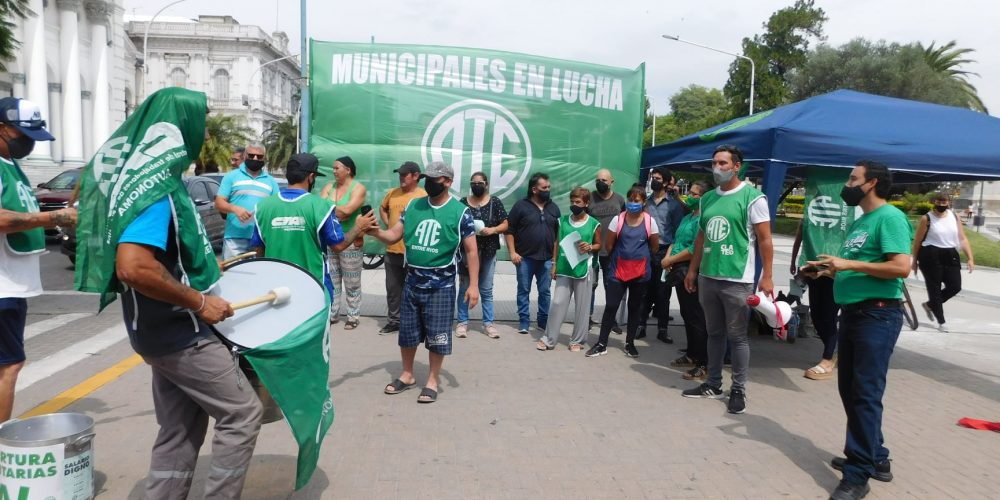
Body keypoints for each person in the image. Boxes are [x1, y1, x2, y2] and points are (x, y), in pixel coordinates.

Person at [801, 160, 912, 500]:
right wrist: (827, 271)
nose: (847, 184)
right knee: (851, 391)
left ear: (872, 183)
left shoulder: (890, 217)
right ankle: (876, 457)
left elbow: (900, 267)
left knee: (864, 393)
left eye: (853, 178)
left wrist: (846, 263)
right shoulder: (861, 221)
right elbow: (864, 269)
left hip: (876, 317)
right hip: (853, 315)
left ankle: (857, 474)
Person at [368, 161, 479, 403]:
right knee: (407, 333)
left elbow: (471, 251)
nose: (428, 183)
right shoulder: (414, 205)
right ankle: (407, 375)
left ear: (447, 182)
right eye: (426, 178)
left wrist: (473, 285)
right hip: (412, 281)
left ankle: (432, 380)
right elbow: (393, 235)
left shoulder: (460, 212)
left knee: (438, 336)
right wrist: (374, 231)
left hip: (442, 285)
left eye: (434, 179)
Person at [681, 144, 773, 415]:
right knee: (714, 333)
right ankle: (712, 383)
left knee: (738, 337)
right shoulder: (707, 198)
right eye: (714, 163)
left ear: (737, 166)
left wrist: (767, 276)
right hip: (709, 276)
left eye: (723, 163)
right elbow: (701, 237)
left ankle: (739, 388)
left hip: (737, 278)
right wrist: (692, 270)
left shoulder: (753, 198)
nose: (717, 168)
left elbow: (765, 239)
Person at [0, 97, 74, 422]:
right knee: (8, 366)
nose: (29, 142)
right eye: (23, 134)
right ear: (2, 128)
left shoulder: (10, 165)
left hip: (13, 286)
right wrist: (53, 218)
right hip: (2, 289)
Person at [251, 153, 376, 293]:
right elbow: (339, 245)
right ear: (310, 177)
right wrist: (358, 227)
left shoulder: (262, 207)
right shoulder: (320, 206)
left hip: (275, 287)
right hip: (312, 287)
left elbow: (258, 250)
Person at [586, 186, 659, 358]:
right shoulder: (617, 220)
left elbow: (655, 247)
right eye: (630, 200)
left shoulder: (650, 222)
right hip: (618, 270)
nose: (633, 203)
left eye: (637, 200)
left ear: (643, 202)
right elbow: (609, 245)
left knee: (634, 308)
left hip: (640, 273)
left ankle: (630, 343)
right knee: (611, 306)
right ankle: (601, 343)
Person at [537, 187, 601, 351]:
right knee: (558, 303)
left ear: (586, 203)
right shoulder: (563, 220)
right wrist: (554, 264)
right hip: (564, 268)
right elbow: (557, 243)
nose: (574, 204)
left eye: (578, 202)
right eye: (572, 201)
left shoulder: (594, 224)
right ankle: (549, 338)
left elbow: (599, 245)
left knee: (582, 306)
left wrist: (590, 247)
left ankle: (577, 341)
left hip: (583, 269)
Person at [661, 181, 709, 380]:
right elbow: (676, 240)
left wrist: (670, 259)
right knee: (687, 314)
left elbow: (694, 249)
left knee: (697, 317)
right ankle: (691, 354)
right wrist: (668, 258)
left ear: (704, 198)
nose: (690, 196)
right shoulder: (688, 217)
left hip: (692, 271)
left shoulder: (703, 220)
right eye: (689, 192)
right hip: (677, 269)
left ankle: (703, 363)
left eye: (695, 194)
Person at [910, 192, 974, 332]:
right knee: (935, 289)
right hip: (930, 254)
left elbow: (962, 238)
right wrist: (914, 261)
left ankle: (930, 305)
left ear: (948, 202)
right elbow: (917, 242)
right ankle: (941, 321)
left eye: (944, 201)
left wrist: (970, 257)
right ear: (934, 202)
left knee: (955, 286)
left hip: (950, 254)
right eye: (938, 201)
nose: (941, 204)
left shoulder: (954, 216)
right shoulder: (926, 218)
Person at [506, 173, 560, 335]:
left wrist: (554, 259)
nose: (548, 190)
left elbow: (558, 236)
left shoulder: (553, 207)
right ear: (534, 189)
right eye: (544, 188)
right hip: (525, 259)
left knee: (545, 291)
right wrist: (512, 252)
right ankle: (524, 320)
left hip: (546, 260)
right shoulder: (520, 206)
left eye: (549, 187)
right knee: (523, 290)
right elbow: (509, 231)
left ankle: (543, 320)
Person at [456, 172, 508, 340]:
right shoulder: (463, 202)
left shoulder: (495, 202)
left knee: (486, 289)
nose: (476, 185)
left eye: (480, 183)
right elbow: (455, 221)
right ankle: (462, 322)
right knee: (465, 287)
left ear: (486, 184)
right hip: (467, 252)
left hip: (488, 250)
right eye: (473, 182)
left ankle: (489, 324)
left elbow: (506, 223)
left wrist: (492, 230)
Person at [378, 161, 426, 334]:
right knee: (393, 289)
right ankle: (394, 321)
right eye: (399, 174)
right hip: (392, 251)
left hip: (413, 253)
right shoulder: (392, 193)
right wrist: (387, 223)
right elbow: (382, 208)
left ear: (416, 176)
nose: (401, 177)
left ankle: (415, 322)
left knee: (414, 290)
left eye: (404, 174)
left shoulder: (423, 196)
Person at [320, 156, 368, 329]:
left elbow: (347, 211)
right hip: (330, 240)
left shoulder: (358, 188)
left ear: (348, 170)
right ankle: (332, 314)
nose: (334, 171)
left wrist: (331, 210)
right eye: (333, 168)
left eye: (337, 168)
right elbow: (322, 211)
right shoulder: (328, 187)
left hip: (350, 239)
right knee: (332, 280)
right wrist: (340, 212)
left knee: (352, 281)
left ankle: (353, 316)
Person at [640, 167, 684, 343]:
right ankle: (640, 325)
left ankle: (663, 329)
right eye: (653, 177)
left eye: (658, 178)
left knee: (663, 293)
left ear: (666, 182)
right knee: (644, 291)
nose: (654, 180)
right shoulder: (646, 203)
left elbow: (677, 232)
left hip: (665, 252)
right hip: (646, 250)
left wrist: (670, 256)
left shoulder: (673, 205)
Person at [215, 142, 279, 259]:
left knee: (258, 276)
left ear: (264, 158)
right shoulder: (231, 176)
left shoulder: (271, 181)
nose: (255, 158)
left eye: (259, 157)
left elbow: (277, 207)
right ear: (244, 156)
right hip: (234, 238)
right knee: (233, 274)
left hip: (260, 239)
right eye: (251, 155)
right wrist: (235, 209)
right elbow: (219, 203)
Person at [588, 169, 626, 332]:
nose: (600, 183)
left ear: (612, 182)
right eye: (598, 180)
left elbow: (625, 222)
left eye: (604, 180)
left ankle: (611, 320)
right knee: (590, 286)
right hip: (593, 251)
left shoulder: (619, 199)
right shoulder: (589, 198)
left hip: (612, 252)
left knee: (612, 287)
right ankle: (587, 317)